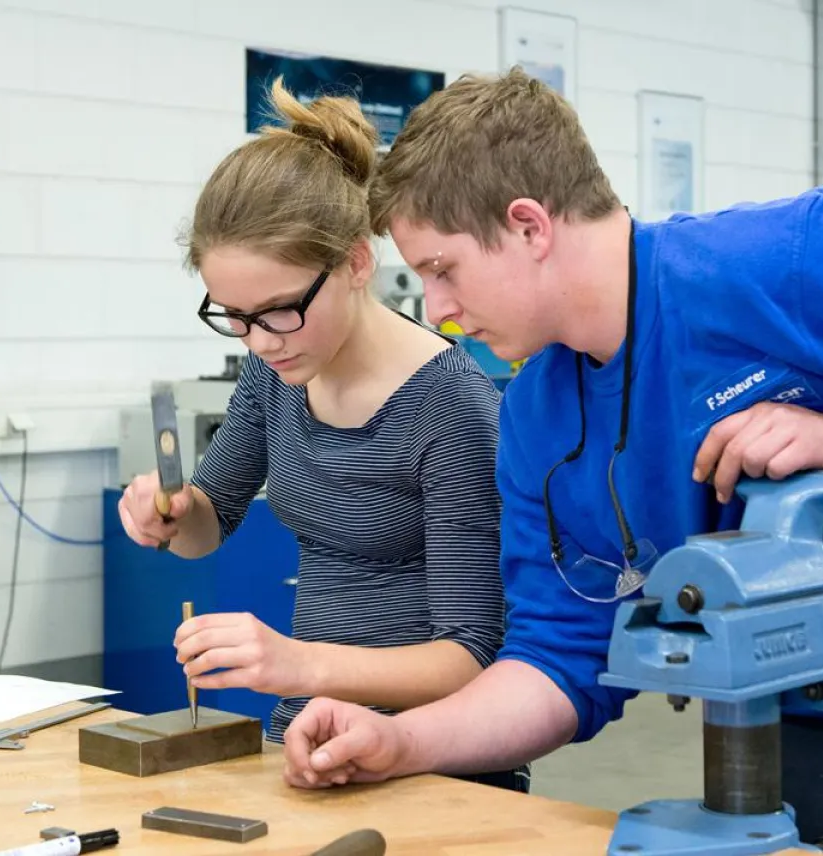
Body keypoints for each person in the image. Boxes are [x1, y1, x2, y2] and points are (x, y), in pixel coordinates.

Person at [280, 68, 823, 854]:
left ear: (529, 226)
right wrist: (404, 741)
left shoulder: (780, 264)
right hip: (764, 709)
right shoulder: (537, 416)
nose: (438, 311)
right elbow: (555, 657)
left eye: (443, 270)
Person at [118, 77, 526, 792]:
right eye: (234, 317)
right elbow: (208, 524)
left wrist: (298, 663)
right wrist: (171, 513)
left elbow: (473, 657)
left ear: (357, 263)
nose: (259, 341)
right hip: (312, 743)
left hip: (436, 766)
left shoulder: (451, 407)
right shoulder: (277, 371)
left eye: (278, 310)